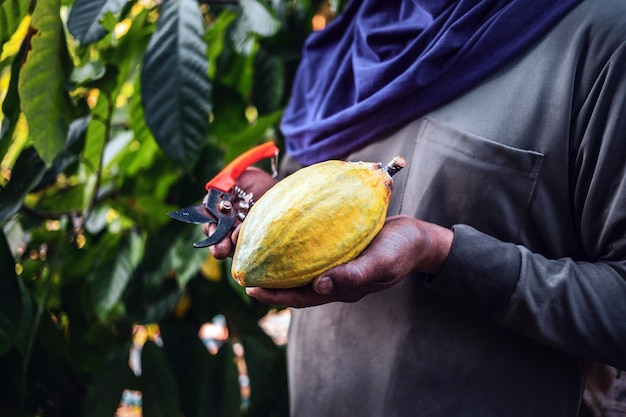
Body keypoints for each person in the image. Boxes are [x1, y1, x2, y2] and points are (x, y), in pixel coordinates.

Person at [207, 0, 626, 415]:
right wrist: (271, 201)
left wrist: (441, 252)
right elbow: (316, 193)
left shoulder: (602, 39)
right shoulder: (346, 42)